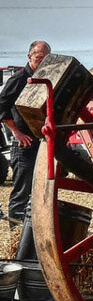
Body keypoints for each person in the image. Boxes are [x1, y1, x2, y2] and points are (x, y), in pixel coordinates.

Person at [0, 40, 51, 225]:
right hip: (23, 144)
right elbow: (1, 106)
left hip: (42, 142)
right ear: (29, 57)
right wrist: (16, 132)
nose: (42, 62)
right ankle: (16, 234)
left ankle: (33, 230)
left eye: (46, 59)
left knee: (39, 190)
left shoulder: (48, 79)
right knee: (22, 191)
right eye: (39, 58)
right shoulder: (19, 79)